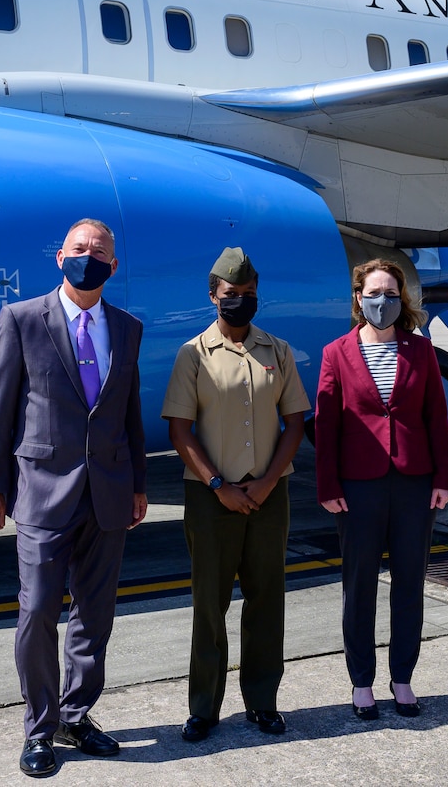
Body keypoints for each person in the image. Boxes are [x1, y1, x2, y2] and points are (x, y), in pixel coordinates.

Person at [0, 218, 148, 778]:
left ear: (113, 267)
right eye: (79, 249)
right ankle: (40, 728)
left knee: (95, 615)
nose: (88, 257)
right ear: (59, 258)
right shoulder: (22, 319)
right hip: (42, 492)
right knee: (38, 612)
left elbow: (129, 415)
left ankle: (77, 714)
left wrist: (139, 484)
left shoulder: (127, 327)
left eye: (99, 251)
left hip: (109, 493)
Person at [161, 248, 310, 742]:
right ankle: (204, 706)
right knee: (210, 603)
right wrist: (219, 486)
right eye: (231, 295)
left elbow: (295, 422)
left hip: (270, 494)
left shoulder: (278, 351)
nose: (239, 302)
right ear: (213, 297)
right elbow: (180, 431)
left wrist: (266, 482)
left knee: (267, 599)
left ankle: (263, 701)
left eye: (248, 295)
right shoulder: (193, 354)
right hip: (211, 497)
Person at [315, 258, 448, 719]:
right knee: (358, 586)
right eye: (374, 294)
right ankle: (361, 681)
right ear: (358, 298)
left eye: (391, 295)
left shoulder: (421, 351)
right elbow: (327, 424)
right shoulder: (336, 352)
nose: (382, 302)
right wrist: (328, 484)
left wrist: (444, 478)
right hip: (358, 486)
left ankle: (402, 678)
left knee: (409, 583)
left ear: (402, 300)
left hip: (415, 483)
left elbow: (438, 417)